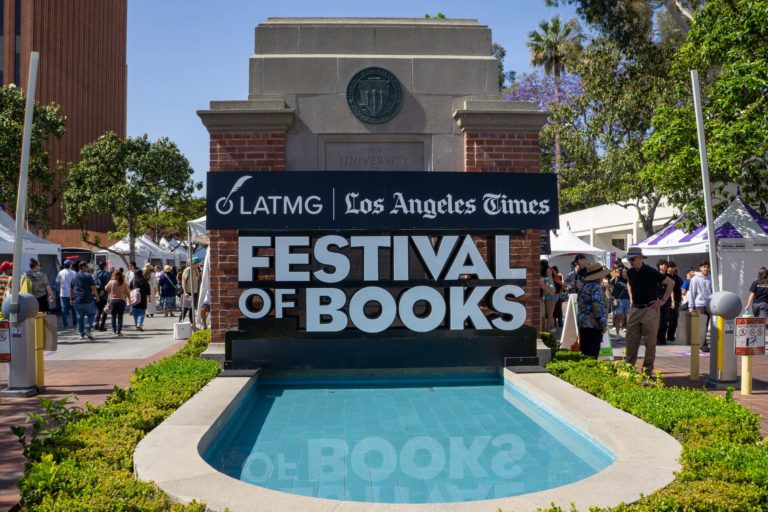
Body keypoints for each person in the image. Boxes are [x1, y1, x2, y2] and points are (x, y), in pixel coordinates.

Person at [625, 247, 674, 375]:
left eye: (632, 259)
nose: (630, 262)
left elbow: (670, 282)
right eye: (629, 259)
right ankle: (628, 369)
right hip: (635, 309)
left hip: (650, 309)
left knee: (650, 342)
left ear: (640, 258)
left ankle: (647, 371)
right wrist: (631, 297)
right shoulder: (630, 272)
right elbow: (629, 283)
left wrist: (662, 301)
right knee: (631, 340)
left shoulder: (650, 271)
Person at [577, 263, 610, 358]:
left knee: (585, 354)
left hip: (583, 324)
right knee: (593, 354)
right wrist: (603, 324)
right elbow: (597, 307)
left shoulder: (583, 287)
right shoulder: (596, 287)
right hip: (593, 325)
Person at [688, 260, 713, 352]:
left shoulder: (711, 278)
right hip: (699, 305)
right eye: (704, 267)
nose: (706, 268)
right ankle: (703, 345)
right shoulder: (695, 279)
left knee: (709, 326)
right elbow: (692, 293)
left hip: (710, 305)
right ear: (700, 268)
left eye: (707, 267)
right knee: (702, 326)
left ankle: (703, 343)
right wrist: (691, 307)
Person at [71, 262, 99, 340]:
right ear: (83, 267)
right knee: (91, 314)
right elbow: (93, 287)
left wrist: (71, 298)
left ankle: (81, 334)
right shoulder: (88, 275)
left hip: (77, 300)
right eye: (87, 266)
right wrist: (97, 296)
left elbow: (71, 289)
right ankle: (87, 329)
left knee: (79, 317)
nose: (88, 268)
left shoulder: (74, 276)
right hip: (88, 299)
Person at [105, 269, 129, 336]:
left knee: (113, 316)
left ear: (114, 275)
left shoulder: (111, 282)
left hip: (113, 301)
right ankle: (119, 331)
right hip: (122, 301)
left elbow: (106, 288)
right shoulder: (124, 283)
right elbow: (127, 292)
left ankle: (114, 331)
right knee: (120, 317)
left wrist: (111, 280)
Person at [608, 267, 630, 336]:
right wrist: (611, 296)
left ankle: (629, 335)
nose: (625, 273)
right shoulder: (616, 279)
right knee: (618, 319)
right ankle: (617, 334)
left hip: (628, 301)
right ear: (621, 273)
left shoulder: (630, 280)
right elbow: (607, 287)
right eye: (623, 272)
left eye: (626, 272)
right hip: (618, 301)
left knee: (629, 319)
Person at [665, 261, 684, 342]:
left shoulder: (677, 277)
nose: (672, 268)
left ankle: (671, 336)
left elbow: (682, 287)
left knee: (674, 320)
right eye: (671, 267)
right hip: (666, 301)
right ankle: (662, 337)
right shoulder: (665, 276)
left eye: (674, 267)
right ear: (667, 268)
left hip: (676, 301)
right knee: (665, 320)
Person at [55, 259, 77, 328]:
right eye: (71, 264)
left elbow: (57, 282)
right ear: (70, 265)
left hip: (63, 294)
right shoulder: (74, 272)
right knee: (74, 309)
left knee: (64, 310)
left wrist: (59, 291)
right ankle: (75, 323)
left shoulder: (61, 272)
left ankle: (65, 324)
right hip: (73, 294)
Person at [181, 257, 202, 322]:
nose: (199, 264)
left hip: (195, 291)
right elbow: (183, 281)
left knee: (192, 308)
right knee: (186, 307)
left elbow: (198, 280)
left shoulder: (197, 270)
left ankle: (192, 322)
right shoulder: (188, 270)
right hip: (188, 291)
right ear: (194, 263)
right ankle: (181, 321)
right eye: (198, 263)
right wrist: (185, 292)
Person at [655, 260, 671, 345]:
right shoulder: (655, 275)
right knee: (658, 320)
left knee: (665, 320)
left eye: (665, 264)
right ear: (659, 266)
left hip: (666, 301)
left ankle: (662, 338)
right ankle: (657, 338)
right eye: (662, 264)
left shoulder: (668, 276)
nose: (664, 266)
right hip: (657, 301)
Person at [93, 262, 112, 331]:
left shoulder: (95, 273)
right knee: (105, 309)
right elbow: (109, 284)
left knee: (98, 309)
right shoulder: (107, 274)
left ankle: (96, 323)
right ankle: (102, 326)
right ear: (104, 266)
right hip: (104, 293)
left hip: (96, 293)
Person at [540, 260, 558, 331]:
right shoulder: (548, 270)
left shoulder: (547, 270)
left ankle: (548, 331)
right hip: (551, 294)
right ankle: (550, 330)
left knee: (549, 315)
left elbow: (550, 284)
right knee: (549, 315)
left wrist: (549, 291)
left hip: (551, 295)